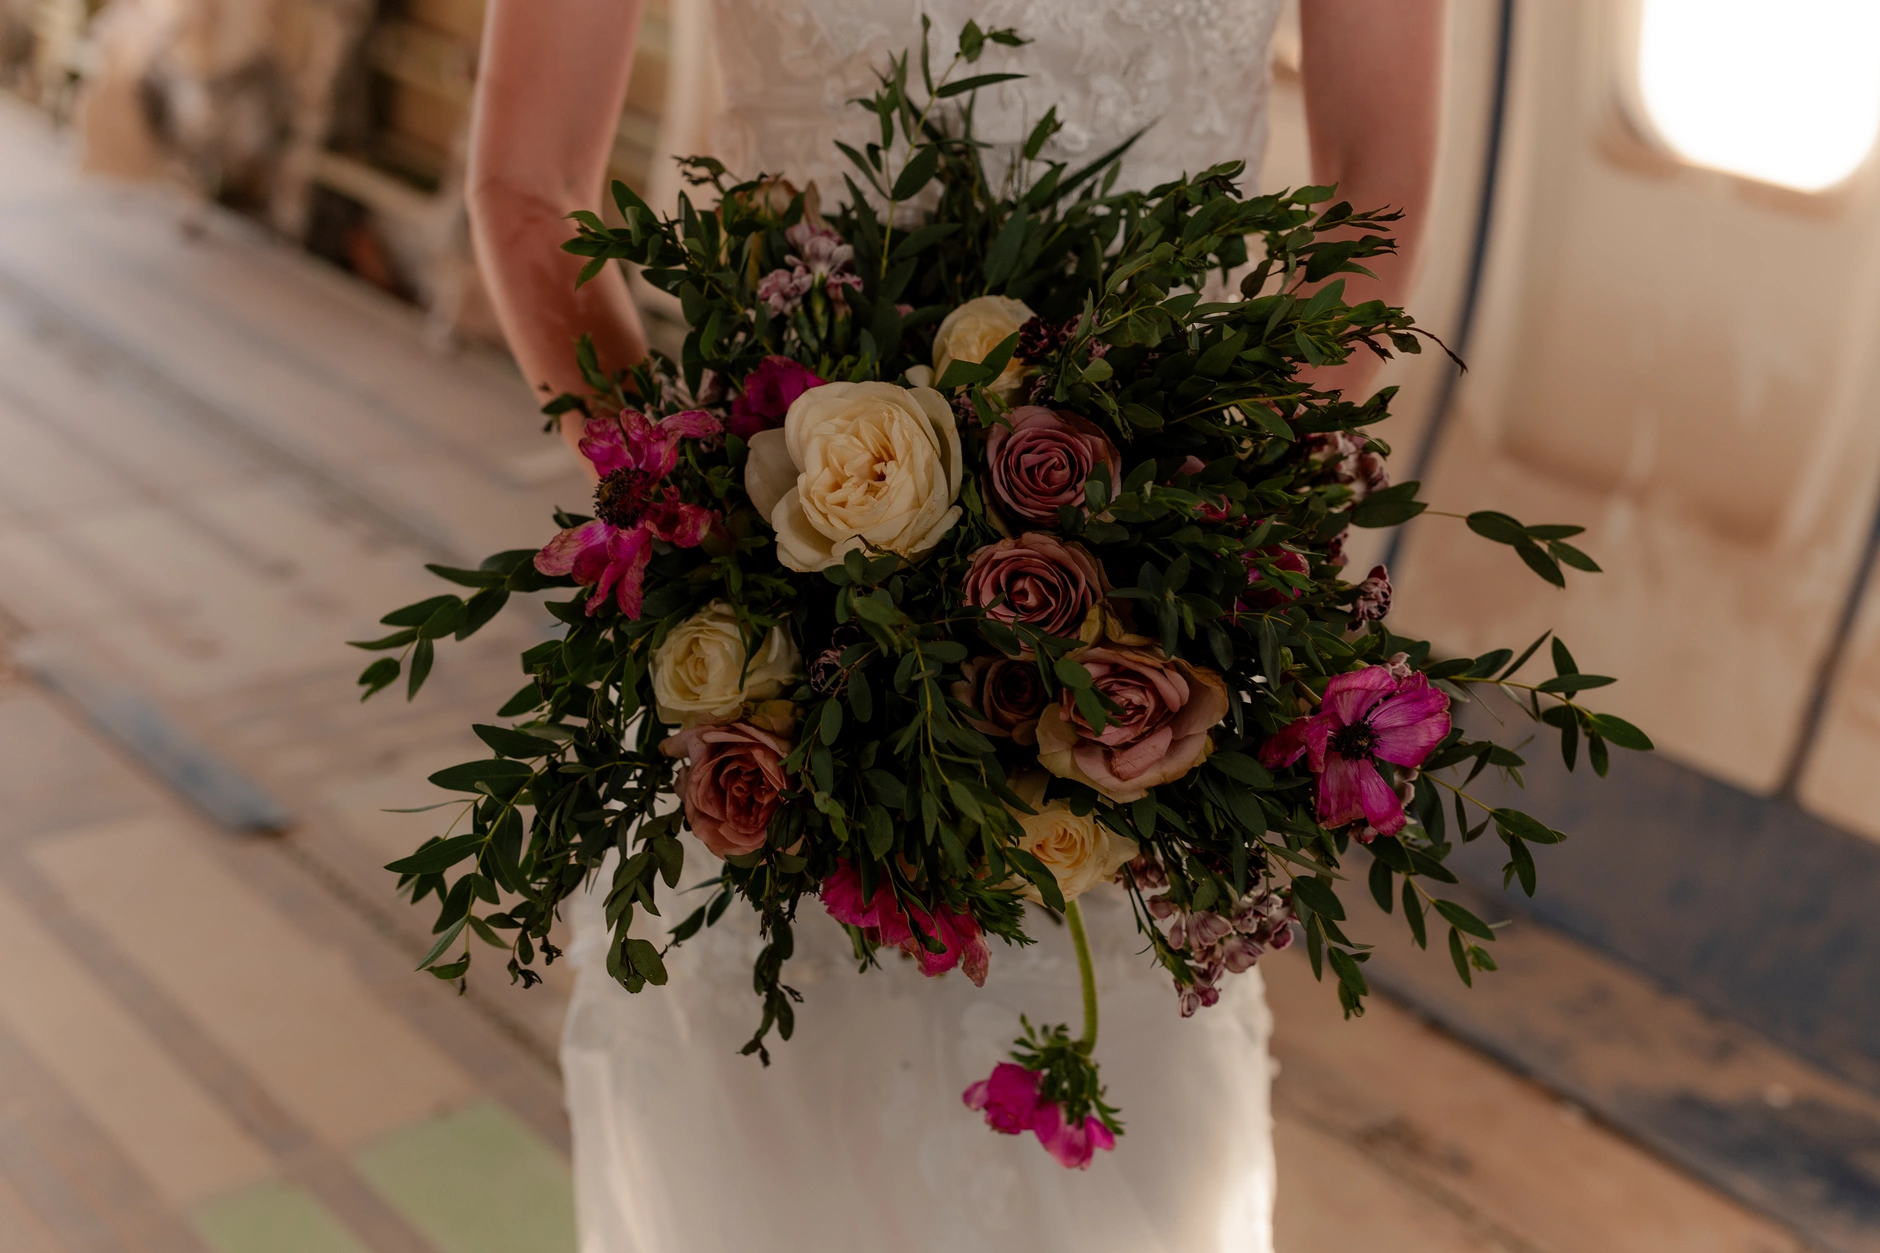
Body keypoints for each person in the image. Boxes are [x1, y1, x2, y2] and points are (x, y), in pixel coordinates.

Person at [466, 3, 1442, 1249]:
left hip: (1143, 643)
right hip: (781, 620)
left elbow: (1377, 184)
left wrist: (1201, 519)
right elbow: (526, 181)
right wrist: (689, 499)